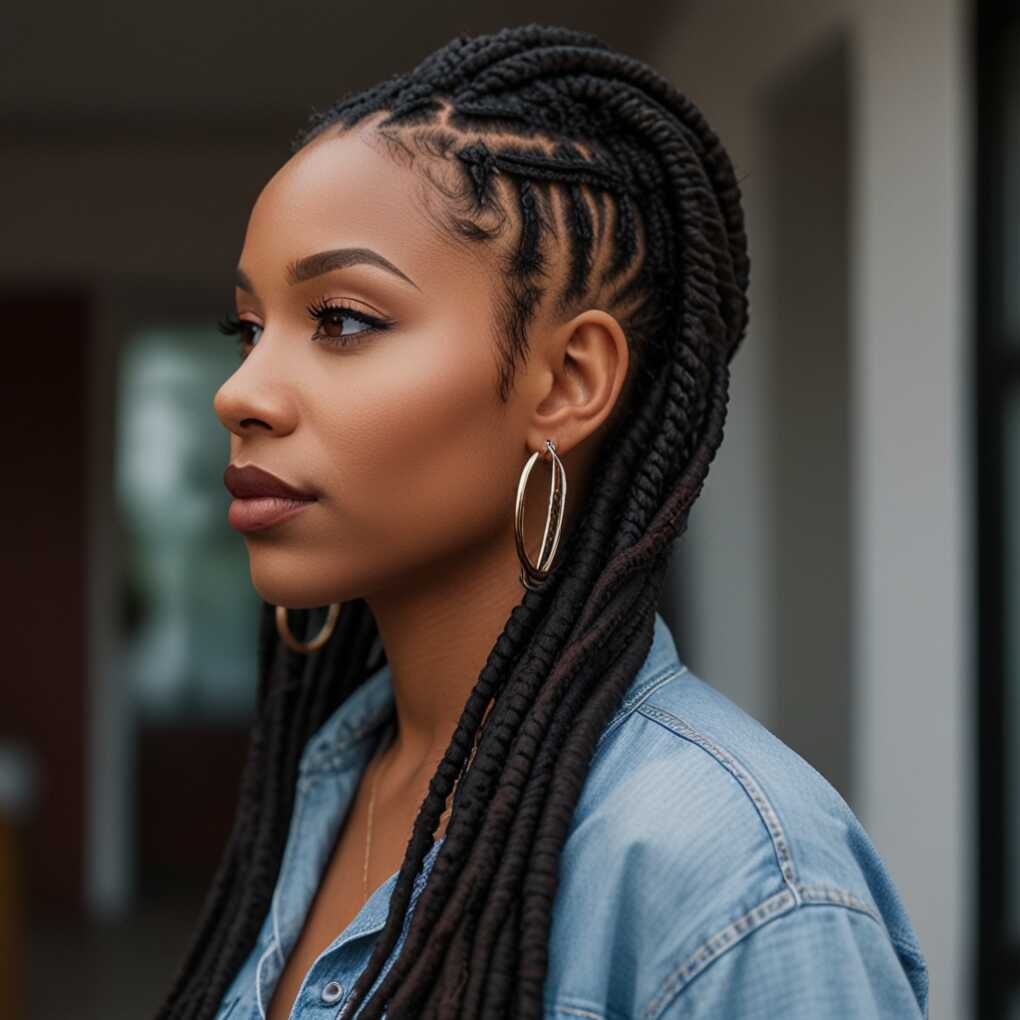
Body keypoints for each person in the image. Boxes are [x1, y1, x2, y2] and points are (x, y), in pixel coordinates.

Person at [156, 24, 928, 1020]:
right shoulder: (336, 774)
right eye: (248, 329)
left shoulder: (738, 878)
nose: (240, 392)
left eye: (344, 319)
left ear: (567, 381)